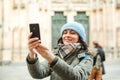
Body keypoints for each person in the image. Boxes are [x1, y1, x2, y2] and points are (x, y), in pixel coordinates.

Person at [26, 22, 93, 80]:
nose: (67, 35)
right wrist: (32, 55)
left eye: (72, 33)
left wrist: (51, 58)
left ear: (80, 38)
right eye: (65, 33)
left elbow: (77, 77)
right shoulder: (57, 53)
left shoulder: (86, 56)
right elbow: (38, 74)